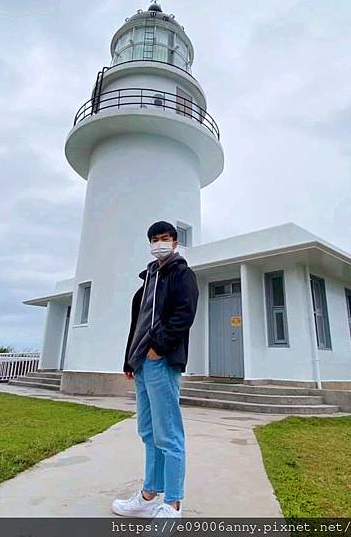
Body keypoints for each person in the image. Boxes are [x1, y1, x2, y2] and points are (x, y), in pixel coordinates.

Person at [111, 220, 199, 519]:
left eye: (165, 238)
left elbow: (184, 315)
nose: (160, 242)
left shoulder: (182, 274)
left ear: (175, 242)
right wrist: (129, 359)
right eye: (155, 239)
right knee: (148, 431)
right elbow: (137, 325)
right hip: (140, 364)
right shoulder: (147, 279)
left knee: (169, 433)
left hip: (160, 361)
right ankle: (149, 494)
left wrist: (157, 349)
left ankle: (173, 503)